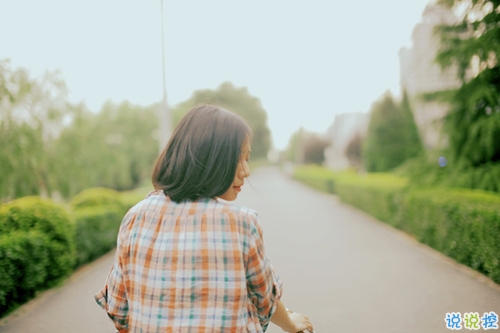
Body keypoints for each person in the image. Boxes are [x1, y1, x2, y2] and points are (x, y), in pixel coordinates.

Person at [94, 104, 314, 332]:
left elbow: (119, 310)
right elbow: (265, 300)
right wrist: (290, 323)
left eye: (247, 159)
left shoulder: (134, 217)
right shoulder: (241, 224)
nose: (246, 171)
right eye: (238, 159)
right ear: (211, 158)